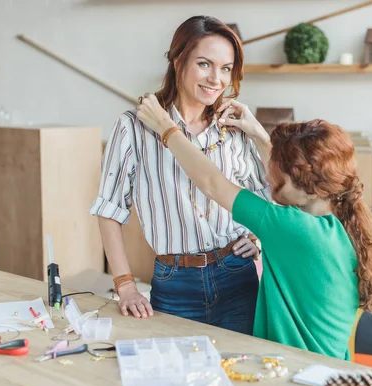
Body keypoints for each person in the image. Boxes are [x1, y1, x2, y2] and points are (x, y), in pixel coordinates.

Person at [135, 93, 372, 360]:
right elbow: (297, 178)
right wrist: (258, 133)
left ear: (312, 189)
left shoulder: (294, 229)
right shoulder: (339, 223)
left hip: (298, 378)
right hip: (331, 370)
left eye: (279, 176)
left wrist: (165, 128)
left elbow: (213, 184)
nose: (269, 177)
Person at [89, 16, 270, 335]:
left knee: (243, 375)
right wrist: (125, 285)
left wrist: (256, 238)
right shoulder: (133, 127)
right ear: (178, 59)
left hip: (236, 275)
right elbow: (108, 210)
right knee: (175, 378)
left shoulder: (232, 127)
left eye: (226, 68)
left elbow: (266, 193)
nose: (217, 79)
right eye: (205, 64)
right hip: (174, 283)